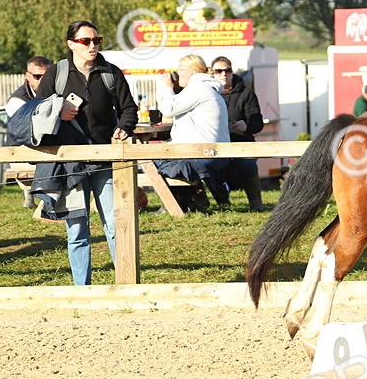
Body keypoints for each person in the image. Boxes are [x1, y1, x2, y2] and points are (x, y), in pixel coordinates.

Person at [36, 21, 138, 285]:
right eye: (85, 41)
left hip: (104, 161)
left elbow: (129, 109)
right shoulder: (55, 73)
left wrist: (123, 128)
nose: (92, 45)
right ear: (71, 44)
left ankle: (125, 284)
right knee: (78, 230)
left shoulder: (110, 73)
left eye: (96, 40)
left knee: (116, 226)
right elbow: (36, 110)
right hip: (70, 164)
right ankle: (83, 288)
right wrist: (59, 110)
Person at [155, 55, 230, 212]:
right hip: (212, 152)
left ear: (192, 71)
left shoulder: (199, 88)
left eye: (180, 70)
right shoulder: (207, 88)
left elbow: (168, 108)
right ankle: (190, 199)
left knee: (153, 160)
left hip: (202, 155)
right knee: (164, 155)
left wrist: (167, 87)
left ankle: (181, 202)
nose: (177, 74)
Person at [212, 56, 266, 212]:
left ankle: (256, 203)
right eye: (219, 71)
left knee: (247, 164)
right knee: (208, 167)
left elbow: (258, 123)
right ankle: (222, 203)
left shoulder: (246, 93)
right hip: (216, 144)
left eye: (227, 70)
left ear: (231, 72)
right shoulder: (208, 94)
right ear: (212, 73)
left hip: (242, 141)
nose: (223, 74)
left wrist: (247, 126)